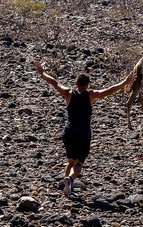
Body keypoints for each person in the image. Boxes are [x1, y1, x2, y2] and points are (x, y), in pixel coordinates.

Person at [33, 61, 136, 197]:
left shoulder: (68, 93)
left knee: (70, 161)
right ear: (87, 85)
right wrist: (125, 82)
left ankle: (68, 189)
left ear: (76, 83)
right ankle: (70, 179)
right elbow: (109, 90)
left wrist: (42, 73)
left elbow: (54, 82)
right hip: (83, 133)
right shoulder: (90, 95)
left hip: (69, 132)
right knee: (78, 163)